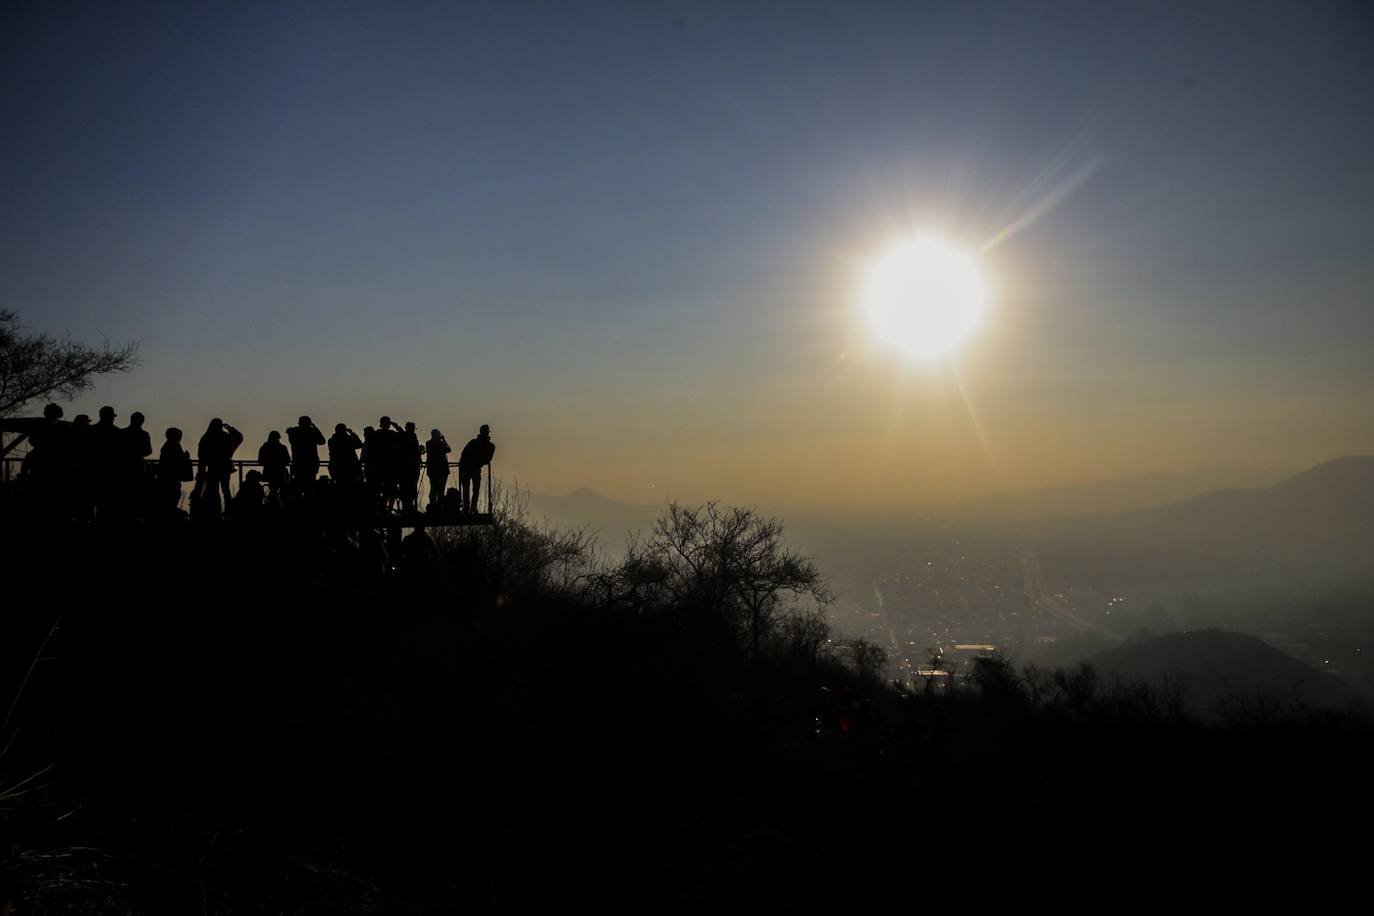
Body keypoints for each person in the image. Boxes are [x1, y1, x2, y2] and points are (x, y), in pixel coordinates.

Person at [196, 418, 243, 516]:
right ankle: (228, 511)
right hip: (225, 468)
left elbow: (202, 457)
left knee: (213, 491)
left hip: (213, 468)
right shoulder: (225, 437)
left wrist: (200, 472)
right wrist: (229, 428)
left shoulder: (206, 438)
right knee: (226, 490)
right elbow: (239, 437)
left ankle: (215, 511)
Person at [457, 424, 495, 513]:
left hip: (471, 468)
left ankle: (469, 507)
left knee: (471, 488)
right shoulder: (488, 446)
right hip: (471, 468)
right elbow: (486, 459)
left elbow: (486, 459)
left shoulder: (476, 443)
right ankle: (470, 507)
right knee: (471, 488)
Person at [156, 427, 193, 513]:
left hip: (165, 478)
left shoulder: (166, 446)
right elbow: (179, 459)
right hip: (172, 478)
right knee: (171, 500)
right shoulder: (175, 446)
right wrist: (186, 457)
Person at [286, 416, 325, 484]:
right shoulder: (311, 432)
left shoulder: (294, 433)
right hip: (311, 462)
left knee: (299, 484)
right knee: (309, 485)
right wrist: (315, 428)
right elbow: (322, 441)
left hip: (298, 462)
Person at [328, 423, 363, 488]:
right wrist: (352, 434)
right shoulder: (348, 440)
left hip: (337, 467)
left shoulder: (331, 441)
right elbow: (359, 444)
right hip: (350, 468)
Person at [424, 429, 451, 510]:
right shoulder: (440, 443)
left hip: (433, 470)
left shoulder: (428, 443)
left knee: (434, 489)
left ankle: (434, 506)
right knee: (440, 489)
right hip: (442, 470)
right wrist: (444, 440)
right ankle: (438, 506)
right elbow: (449, 449)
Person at [400, 421, 422, 511]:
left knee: (407, 487)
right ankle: (408, 506)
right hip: (410, 467)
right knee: (410, 487)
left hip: (408, 467)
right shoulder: (410, 438)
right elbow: (415, 451)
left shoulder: (404, 437)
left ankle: (407, 506)